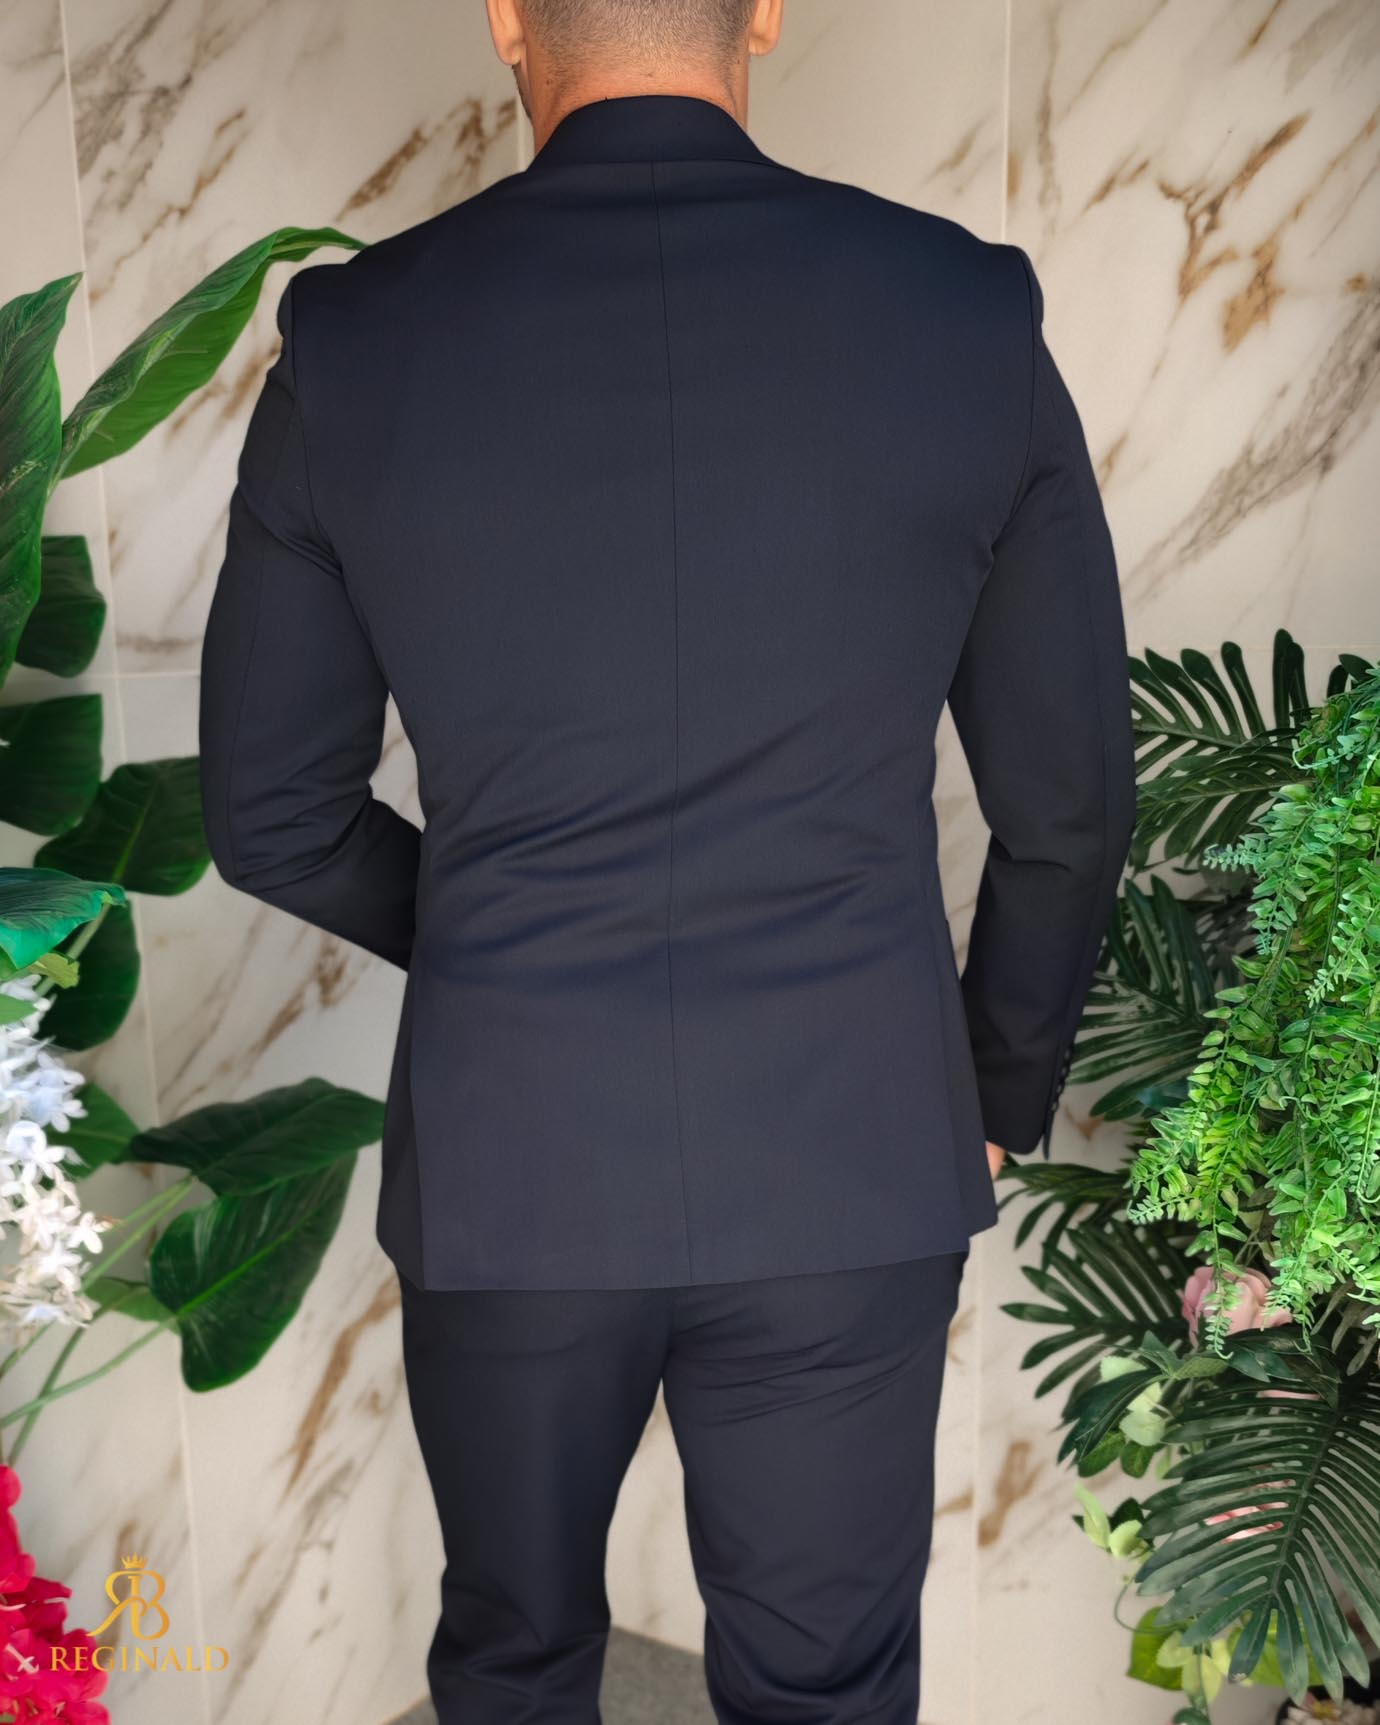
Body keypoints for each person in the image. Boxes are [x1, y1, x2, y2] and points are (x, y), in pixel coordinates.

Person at [197, 0, 1137, 1718]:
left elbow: (270, 812)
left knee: (513, 1661)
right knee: (828, 1686)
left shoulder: (354, 338)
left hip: (516, 1153)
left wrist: (493, 932)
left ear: (504, 19)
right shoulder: (964, 313)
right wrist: (994, 1082)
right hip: (850, 1151)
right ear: (764, 10)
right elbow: (1070, 806)